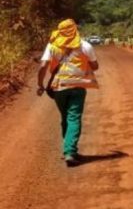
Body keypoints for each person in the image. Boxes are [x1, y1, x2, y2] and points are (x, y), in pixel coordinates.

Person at [36, 19, 99, 167]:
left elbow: (43, 65)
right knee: (73, 117)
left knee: (66, 117)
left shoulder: (52, 45)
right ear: (75, 29)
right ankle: (70, 151)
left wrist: (40, 85)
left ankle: (68, 150)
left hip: (59, 87)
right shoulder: (85, 45)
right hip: (78, 85)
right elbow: (95, 66)